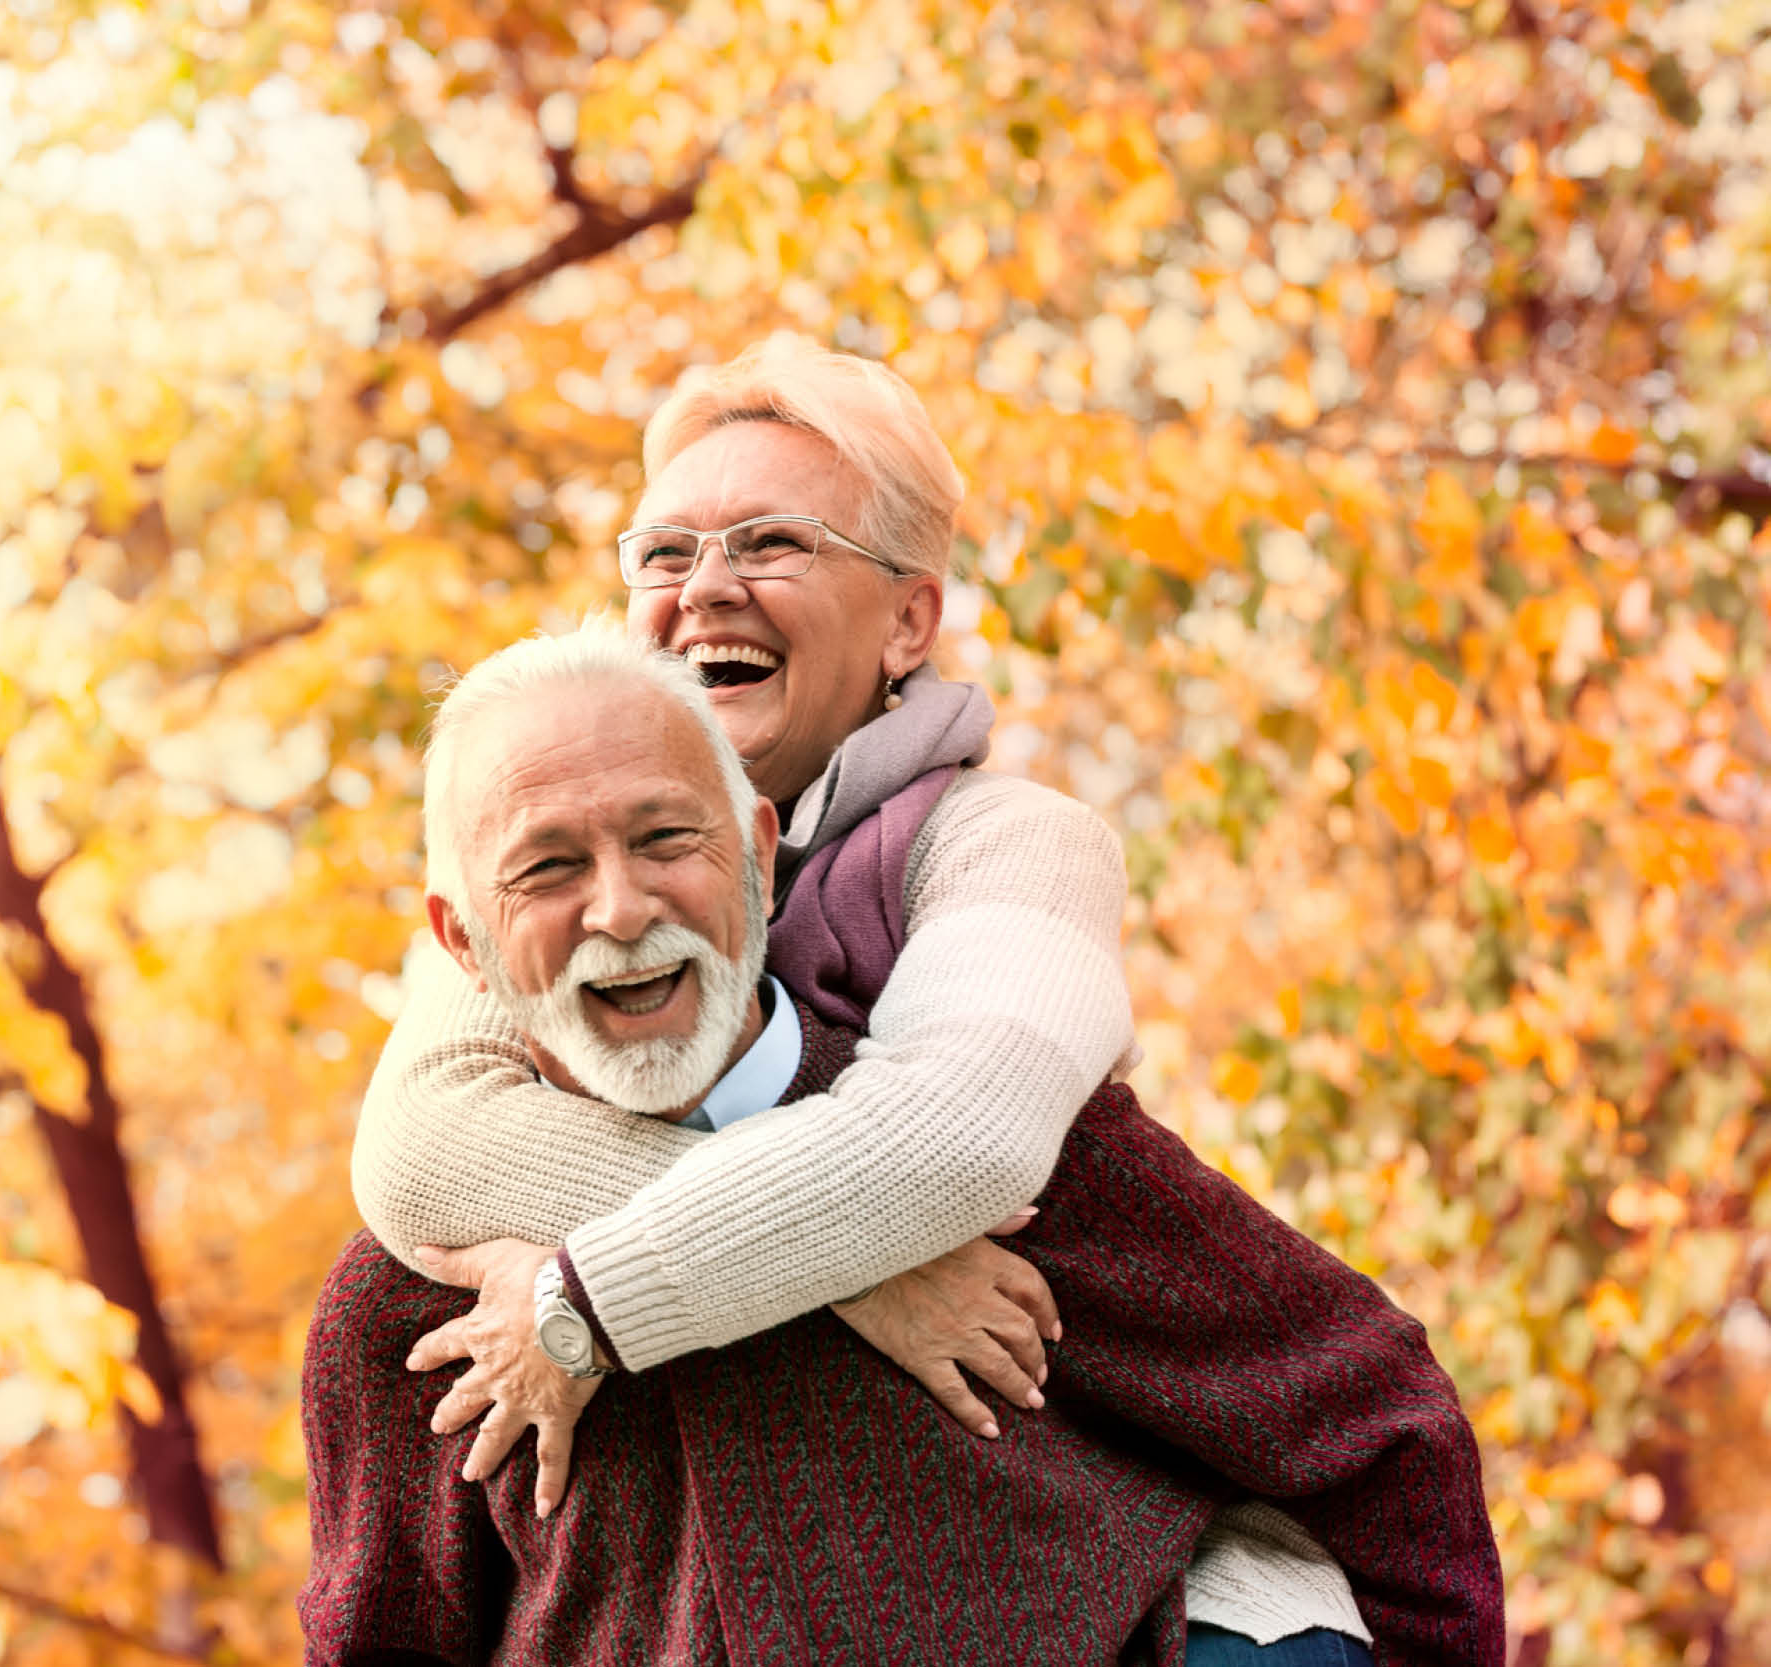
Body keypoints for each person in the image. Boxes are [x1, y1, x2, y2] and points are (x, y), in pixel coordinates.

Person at [347, 339, 1483, 1661]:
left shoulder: (1002, 841)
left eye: (771, 542)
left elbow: (953, 1141)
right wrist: (857, 1274)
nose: (705, 585)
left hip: (1117, 1542)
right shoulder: (554, 885)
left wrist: (592, 1297)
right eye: (664, 553)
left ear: (903, 620)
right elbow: (427, 1145)